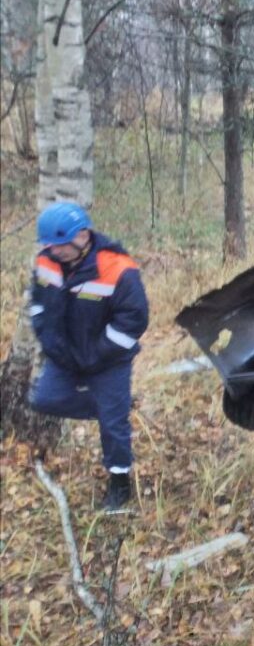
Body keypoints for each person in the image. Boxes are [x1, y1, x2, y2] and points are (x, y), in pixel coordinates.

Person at [28, 202, 149, 511]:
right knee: (44, 399)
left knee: (113, 426)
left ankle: (119, 483)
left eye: (60, 247)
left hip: (108, 360)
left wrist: (97, 355)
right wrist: (51, 343)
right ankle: (112, 410)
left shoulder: (119, 268)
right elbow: (38, 304)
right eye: (50, 247)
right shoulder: (46, 261)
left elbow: (133, 321)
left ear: (82, 236)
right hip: (65, 357)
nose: (55, 253)